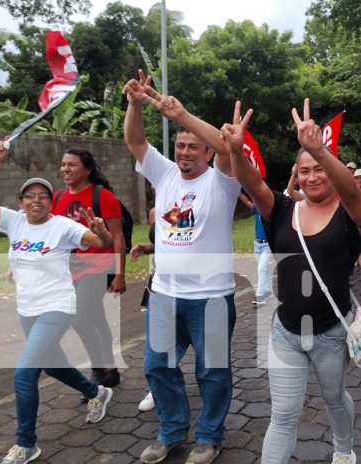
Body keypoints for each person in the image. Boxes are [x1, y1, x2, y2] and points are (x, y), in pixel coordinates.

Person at [220, 98, 361, 464]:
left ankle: (343, 449)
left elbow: (350, 190)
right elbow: (253, 184)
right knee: (283, 415)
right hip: (285, 332)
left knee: (335, 399)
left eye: (320, 169)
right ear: (296, 175)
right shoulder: (282, 209)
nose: (312, 176)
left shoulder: (352, 214)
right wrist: (237, 152)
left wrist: (316, 147)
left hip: (332, 333)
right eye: (305, 171)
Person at [0, 143, 115, 464]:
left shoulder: (62, 226)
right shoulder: (14, 221)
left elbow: (101, 243)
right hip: (27, 311)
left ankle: (26, 444)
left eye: (43, 195)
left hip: (58, 307)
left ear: (51, 201)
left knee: (24, 374)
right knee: (51, 364)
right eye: (30, 195)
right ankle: (97, 392)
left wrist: (101, 232)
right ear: (21, 202)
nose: (36, 200)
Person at [123, 70, 240, 464]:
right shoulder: (165, 173)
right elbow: (136, 141)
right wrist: (136, 104)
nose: (186, 152)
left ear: (206, 152)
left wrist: (182, 115)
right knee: (157, 366)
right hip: (164, 295)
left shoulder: (222, 180)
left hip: (210, 298)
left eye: (193, 146)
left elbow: (226, 144)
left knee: (212, 373)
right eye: (180, 146)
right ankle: (171, 432)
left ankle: (210, 436)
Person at [51, 147, 125, 388]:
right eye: (63, 164)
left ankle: (98, 371)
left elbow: (117, 236)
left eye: (72, 164)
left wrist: (120, 274)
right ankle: (111, 368)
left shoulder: (102, 196)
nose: (66, 169)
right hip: (70, 270)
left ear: (88, 169)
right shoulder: (58, 197)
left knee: (80, 318)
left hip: (98, 267)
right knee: (96, 317)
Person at [129, 201, 157, 413]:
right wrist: (146, 248)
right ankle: (157, 388)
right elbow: (163, 242)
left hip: (192, 284)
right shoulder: (154, 212)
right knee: (155, 345)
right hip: (158, 282)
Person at [239, 192, 274, 305]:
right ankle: (268, 292)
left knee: (261, 269)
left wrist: (274, 247)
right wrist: (238, 191)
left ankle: (259, 296)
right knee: (264, 270)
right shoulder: (257, 209)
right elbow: (247, 201)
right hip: (257, 245)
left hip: (267, 245)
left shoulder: (271, 212)